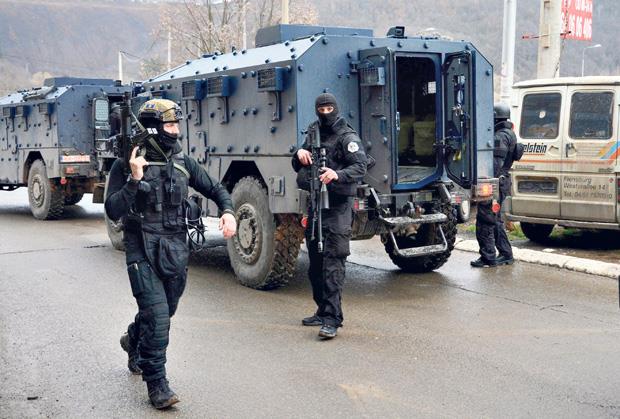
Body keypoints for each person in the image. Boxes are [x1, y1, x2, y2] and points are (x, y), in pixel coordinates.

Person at [105, 99, 237, 409]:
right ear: (153, 128)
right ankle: (158, 384)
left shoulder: (183, 162)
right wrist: (134, 180)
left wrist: (228, 211)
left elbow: (216, 189)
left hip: (175, 248)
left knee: (165, 311)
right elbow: (112, 210)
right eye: (169, 125)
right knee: (158, 317)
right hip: (141, 247)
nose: (175, 130)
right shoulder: (127, 163)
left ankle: (132, 340)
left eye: (177, 124)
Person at [292, 93, 367, 339]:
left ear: (336, 108)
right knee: (315, 263)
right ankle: (322, 310)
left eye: (329, 108)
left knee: (333, 264)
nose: (325, 113)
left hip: (337, 207)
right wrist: (299, 154)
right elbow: (298, 161)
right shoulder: (313, 132)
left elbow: (360, 166)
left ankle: (333, 319)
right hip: (315, 205)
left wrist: (337, 175)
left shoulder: (347, 136)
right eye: (321, 109)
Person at [471, 103, 517, 268]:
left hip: (495, 183)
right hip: (502, 182)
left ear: (495, 118)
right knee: (495, 220)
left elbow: (495, 165)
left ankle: (487, 257)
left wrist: (487, 179)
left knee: (485, 220)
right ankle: (506, 254)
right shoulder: (509, 133)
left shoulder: (500, 136)